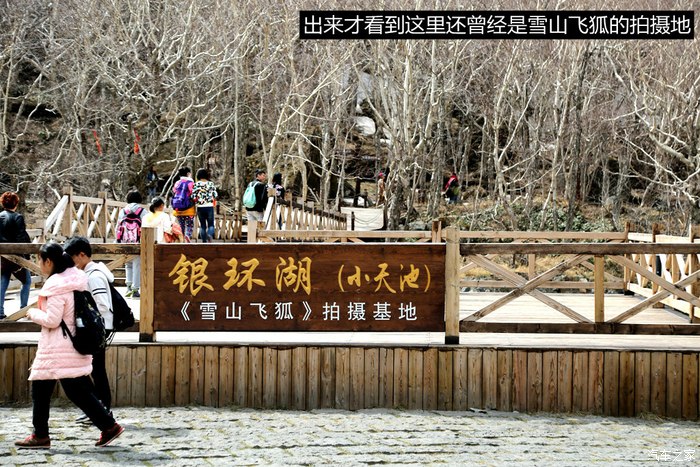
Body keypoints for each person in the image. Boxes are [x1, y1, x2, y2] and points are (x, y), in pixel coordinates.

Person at [14, 242, 124, 449]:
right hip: (70, 345)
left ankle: (41, 435)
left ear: (49, 261)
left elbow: (52, 320)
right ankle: (108, 426)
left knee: (44, 391)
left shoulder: (57, 286)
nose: (39, 263)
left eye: (40, 260)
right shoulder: (73, 281)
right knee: (75, 392)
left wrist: (32, 313)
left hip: (57, 348)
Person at [63, 236, 115, 423]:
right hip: (98, 329)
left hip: (98, 330)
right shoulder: (91, 273)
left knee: (97, 371)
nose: (71, 262)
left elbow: (103, 305)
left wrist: (96, 324)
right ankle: (99, 409)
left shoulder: (94, 276)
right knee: (95, 370)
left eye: (72, 257)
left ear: (82, 255)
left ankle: (103, 411)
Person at [0, 192, 32, 320]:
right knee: (27, 281)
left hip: (3, 257)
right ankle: (23, 310)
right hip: (16, 257)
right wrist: (26, 256)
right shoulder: (18, 217)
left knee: (3, 282)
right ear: (16, 204)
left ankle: (0, 312)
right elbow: (21, 238)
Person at [117, 191, 146, 298]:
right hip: (138, 241)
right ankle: (135, 289)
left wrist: (118, 240)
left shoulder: (123, 211)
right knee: (137, 264)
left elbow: (118, 227)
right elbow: (146, 226)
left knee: (128, 264)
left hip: (125, 241)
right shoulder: (142, 211)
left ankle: (128, 287)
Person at [191, 168, 218, 242]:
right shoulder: (211, 184)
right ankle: (209, 234)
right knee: (211, 225)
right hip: (209, 206)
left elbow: (193, 196)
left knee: (202, 225)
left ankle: (204, 242)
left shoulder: (196, 184)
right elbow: (215, 195)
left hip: (200, 207)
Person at [172, 167, 195, 241]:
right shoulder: (191, 183)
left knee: (181, 225)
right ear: (188, 174)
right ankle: (188, 235)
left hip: (178, 208)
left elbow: (174, 191)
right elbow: (193, 193)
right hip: (188, 208)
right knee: (189, 224)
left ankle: (181, 239)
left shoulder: (177, 183)